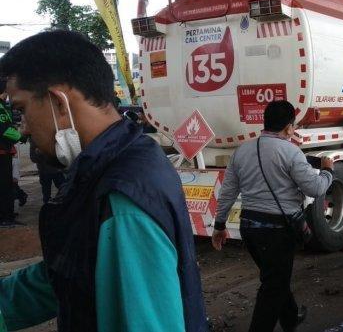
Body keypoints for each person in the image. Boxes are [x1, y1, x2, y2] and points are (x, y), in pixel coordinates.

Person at [0, 30, 207, 331]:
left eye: (22, 110)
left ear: (59, 102)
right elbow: (69, 275)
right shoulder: (118, 160)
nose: (25, 128)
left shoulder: (121, 196)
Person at [212, 100, 334, 332]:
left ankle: (290, 318)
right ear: (289, 128)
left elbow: (228, 191)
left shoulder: (242, 150)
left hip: (250, 228)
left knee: (274, 277)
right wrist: (328, 171)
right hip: (278, 231)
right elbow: (315, 189)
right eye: (293, 127)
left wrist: (219, 225)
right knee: (273, 286)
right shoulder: (291, 152)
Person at [0, 85, 22, 227]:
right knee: (3, 186)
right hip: (1, 152)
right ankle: (4, 218)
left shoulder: (3, 105)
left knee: (8, 184)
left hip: (6, 151)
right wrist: (22, 136)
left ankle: (8, 215)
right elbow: (4, 129)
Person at [29, 137, 65, 204]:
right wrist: (39, 153)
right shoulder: (34, 140)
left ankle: (61, 202)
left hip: (56, 169)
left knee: (64, 188)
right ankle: (48, 206)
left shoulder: (54, 136)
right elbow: (33, 158)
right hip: (44, 171)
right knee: (46, 193)